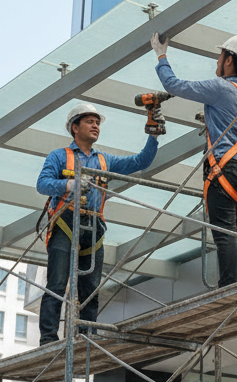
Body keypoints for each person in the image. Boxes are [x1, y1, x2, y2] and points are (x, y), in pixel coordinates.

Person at [35, 105, 159, 345]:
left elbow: (141, 161)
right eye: (90, 121)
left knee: (90, 289)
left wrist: (153, 134)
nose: (95, 126)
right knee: (57, 285)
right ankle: (48, 339)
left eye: (97, 123)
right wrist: (69, 185)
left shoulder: (104, 160)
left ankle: (84, 338)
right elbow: (43, 184)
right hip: (65, 221)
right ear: (75, 127)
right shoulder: (59, 156)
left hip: (94, 224)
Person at [151, 31, 237, 286]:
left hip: (224, 169)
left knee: (224, 234)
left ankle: (228, 287)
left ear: (230, 60)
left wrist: (161, 55)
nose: (217, 61)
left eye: (220, 56)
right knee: (236, 233)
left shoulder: (220, 87)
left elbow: (173, 85)